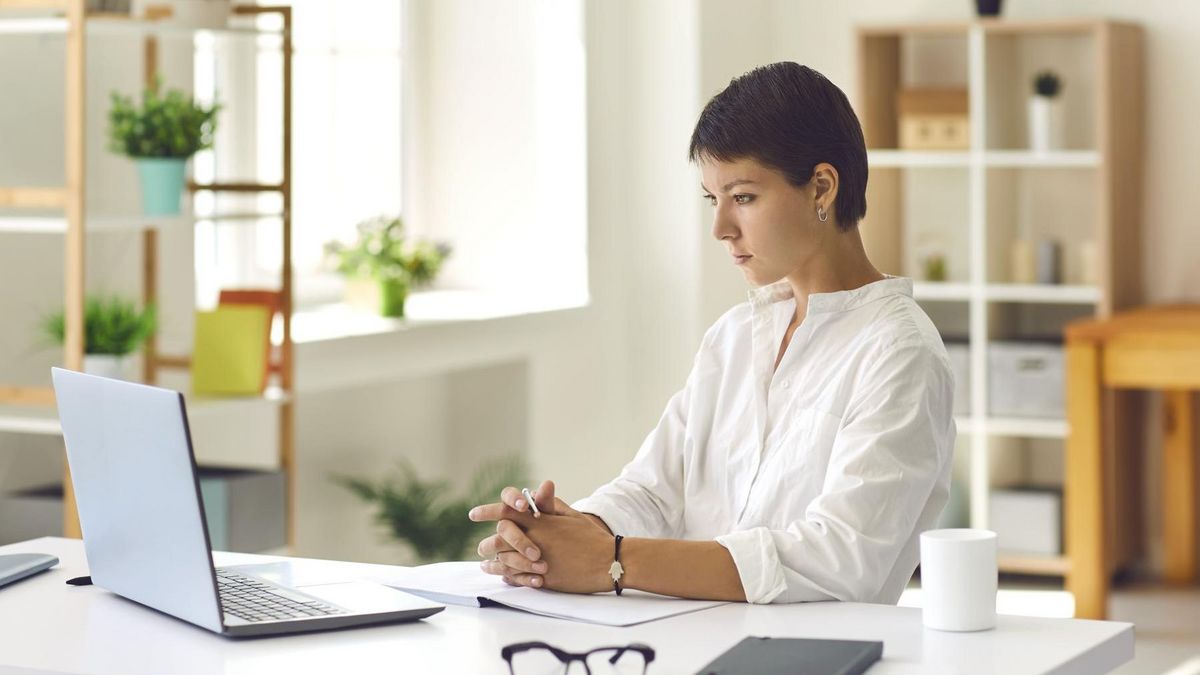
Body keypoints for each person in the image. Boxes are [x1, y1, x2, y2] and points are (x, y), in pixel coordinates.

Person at [468, 62, 955, 605]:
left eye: (743, 197)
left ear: (822, 187)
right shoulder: (735, 337)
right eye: (712, 200)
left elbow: (839, 559)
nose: (721, 228)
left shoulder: (899, 351)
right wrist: (567, 531)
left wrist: (611, 559)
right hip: (683, 642)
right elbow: (654, 490)